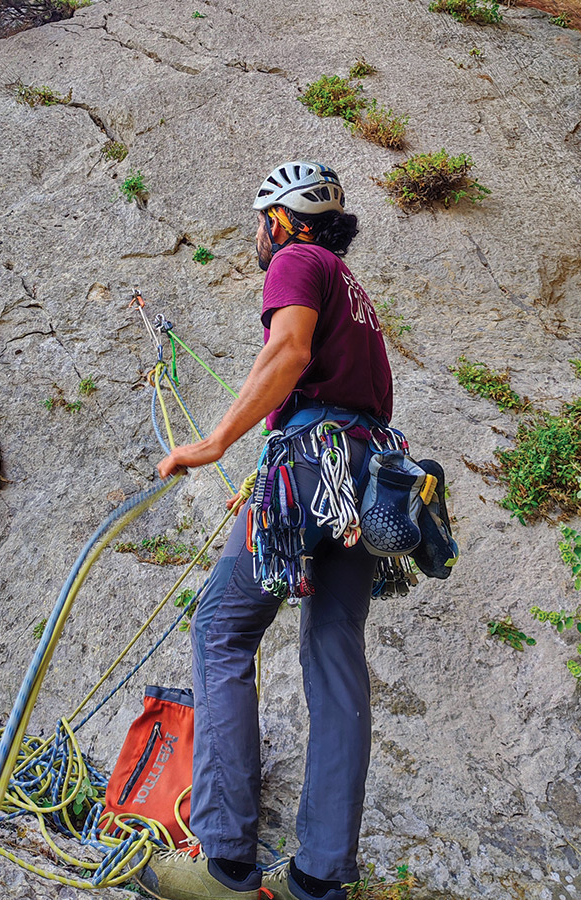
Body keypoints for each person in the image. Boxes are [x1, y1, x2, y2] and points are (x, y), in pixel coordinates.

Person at [142, 160, 394, 900]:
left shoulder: (295, 259)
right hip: (367, 479)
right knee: (334, 651)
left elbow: (286, 352)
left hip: (311, 467)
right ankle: (318, 880)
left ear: (281, 219)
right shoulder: (355, 292)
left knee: (221, 629)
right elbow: (353, 402)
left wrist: (214, 443)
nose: (256, 237)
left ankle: (224, 864)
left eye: (260, 221)